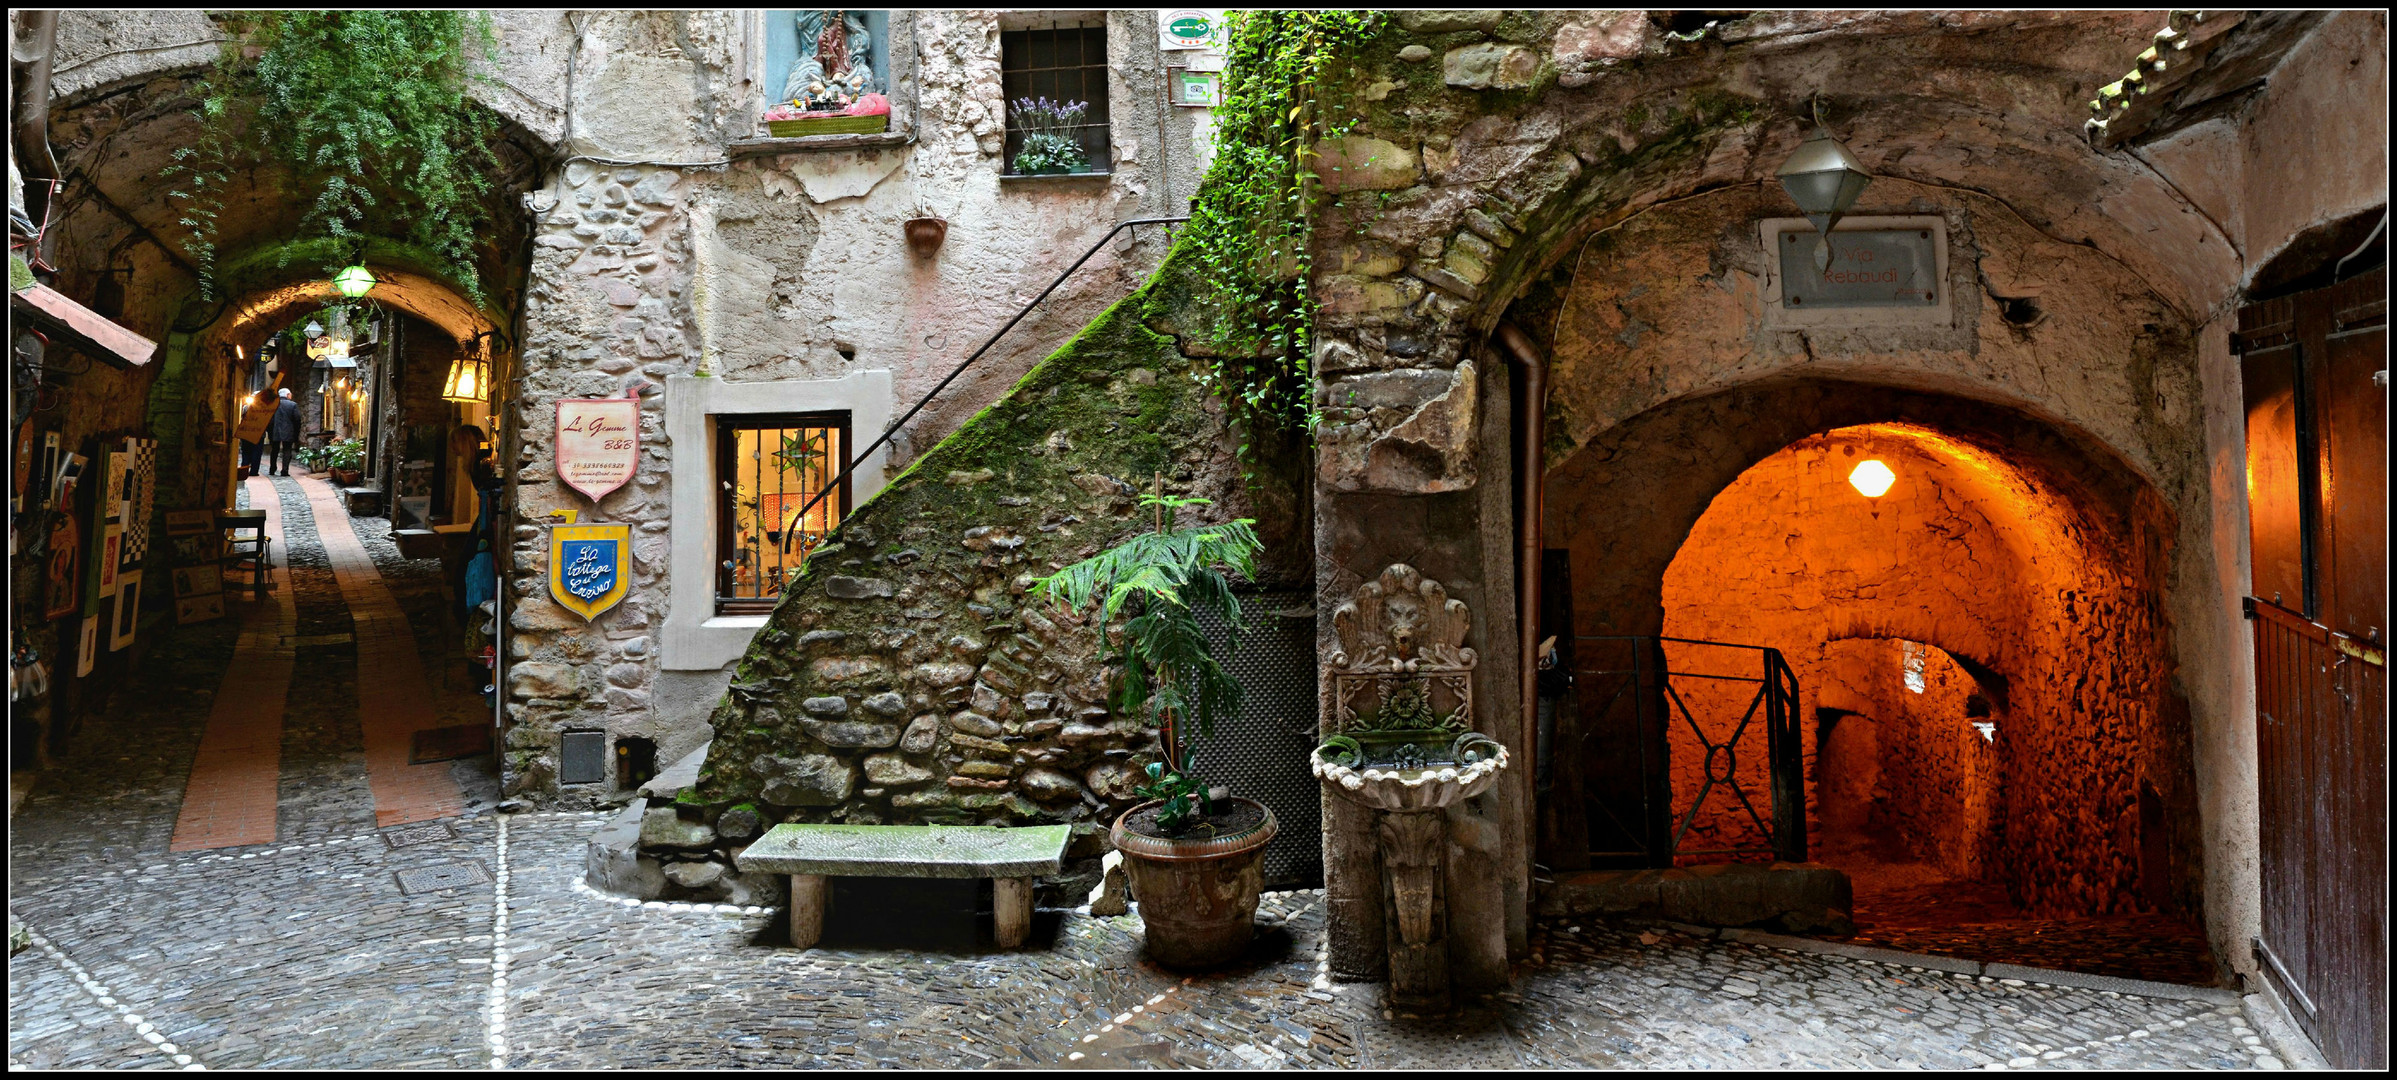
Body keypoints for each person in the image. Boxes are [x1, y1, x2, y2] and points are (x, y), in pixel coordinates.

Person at [268, 388, 302, 476]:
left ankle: (272, 469)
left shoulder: (273, 405)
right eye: (290, 394)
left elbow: (269, 419)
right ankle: (284, 470)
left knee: (274, 450)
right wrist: (296, 431)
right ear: (287, 395)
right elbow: (297, 419)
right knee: (287, 450)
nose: (291, 395)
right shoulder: (293, 405)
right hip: (288, 430)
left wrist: (270, 430)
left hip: (275, 430)